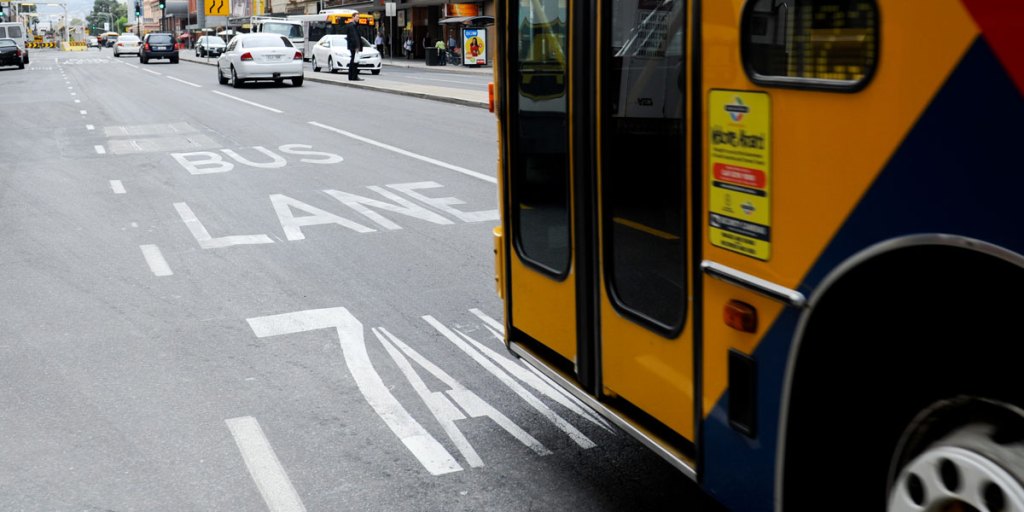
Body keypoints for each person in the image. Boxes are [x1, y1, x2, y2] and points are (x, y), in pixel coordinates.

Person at [343, 15, 364, 81]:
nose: (358, 18)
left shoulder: (353, 25)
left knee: (353, 61)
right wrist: (357, 46)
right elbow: (355, 37)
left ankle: (352, 76)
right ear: (353, 17)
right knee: (354, 62)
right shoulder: (352, 26)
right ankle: (353, 76)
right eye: (357, 17)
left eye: (358, 17)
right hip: (354, 47)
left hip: (353, 46)